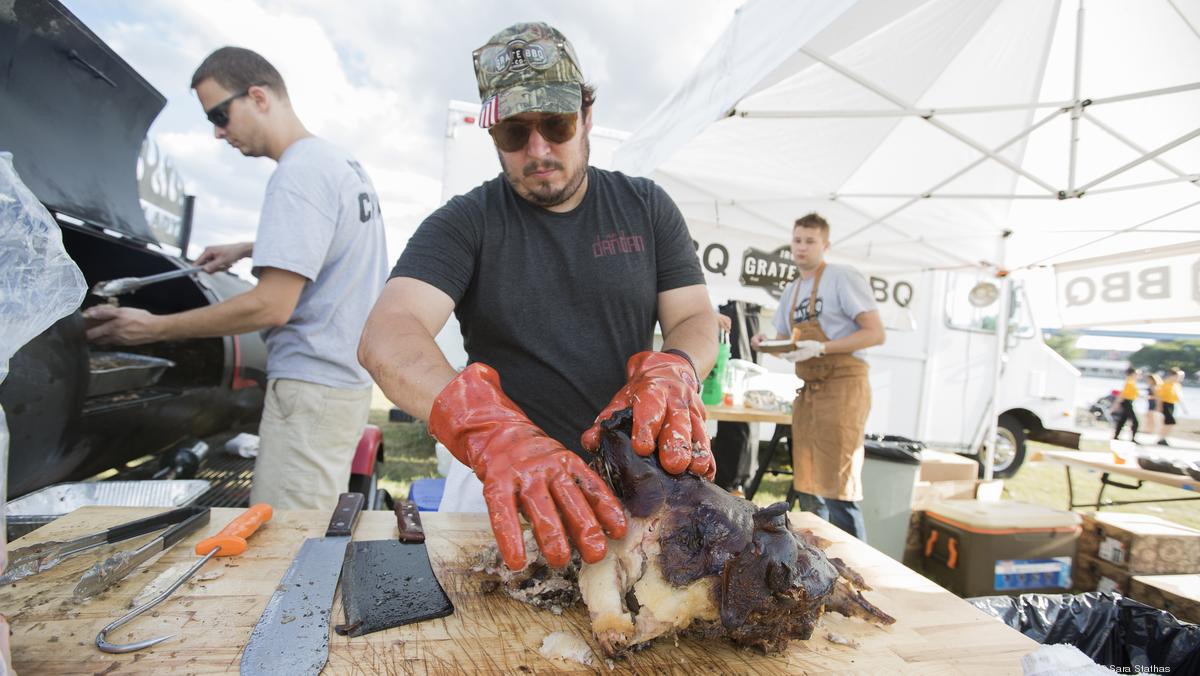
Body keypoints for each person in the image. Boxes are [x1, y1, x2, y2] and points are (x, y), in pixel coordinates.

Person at [358, 22, 718, 572]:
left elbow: (694, 314)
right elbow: (388, 333)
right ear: (492, 132)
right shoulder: (466, 222)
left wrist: (676, 367)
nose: (539, 149)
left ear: (587, 115)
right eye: (514, 133)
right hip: (503, 488)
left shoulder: (646, 207)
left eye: (556, 123)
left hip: (630, 482)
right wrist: (491, 433)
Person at [84, 47, 387, 510]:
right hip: (338, 386)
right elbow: (332, 244)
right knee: (307, 531)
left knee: (286, 547)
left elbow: (270, 305)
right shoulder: (337, 164)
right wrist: (250, 248)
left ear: (259, 96)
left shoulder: (298, 175)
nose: (218, 132)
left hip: (309, 390)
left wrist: (153, 327)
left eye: (221, 114)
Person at [751, 213, 884, 539]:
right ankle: (823, 559)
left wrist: (822, 348)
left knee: (839, 485)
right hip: (809, 391)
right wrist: (767, 345)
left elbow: (874, 333)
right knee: (809, 483)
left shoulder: (841, 277)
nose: (802, 247)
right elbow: (787, 342)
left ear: (825, 244)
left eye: (810, 241)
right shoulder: (792, 291)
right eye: (797, 240)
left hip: (843, 386)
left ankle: (860, 563)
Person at [1155, 368, 1185, 446]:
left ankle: (1162, 438)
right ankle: (1161, 438)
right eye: (1178, 376)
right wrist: (1159, 406)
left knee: (1168, 422)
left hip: (1172, 404)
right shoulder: (1165, 384)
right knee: (1170, 421)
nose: (1180, 378)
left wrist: (1184, 408)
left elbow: (1178, 397)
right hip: (1165, 404)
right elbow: (1159, 397)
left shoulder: (1176, 385)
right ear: (1173, 376)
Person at [1113, 367, 1141, 442]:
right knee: (1135, 421)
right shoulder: (1129, 382)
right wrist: (1116, 404)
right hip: (1127, 402)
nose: (1138, 376)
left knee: (1122, 420)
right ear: (1132, 374)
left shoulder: (1131, 382)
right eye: (1137, 374)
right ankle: (1133, 438)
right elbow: (1123, 394)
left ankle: (1116, 435)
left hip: (1129, 401)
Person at [1144, 372, 1164, 440]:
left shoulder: (1153, 386)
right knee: (1150, 417)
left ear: (1152, 380)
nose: (1147, 381)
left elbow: (1158, 397)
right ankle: (1150, 430)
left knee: (1151, 417)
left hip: (1153, 403)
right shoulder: (1155, 386)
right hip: (1151, 403)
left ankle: (1150, 431)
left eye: (1148, 379)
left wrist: (1158, 406)